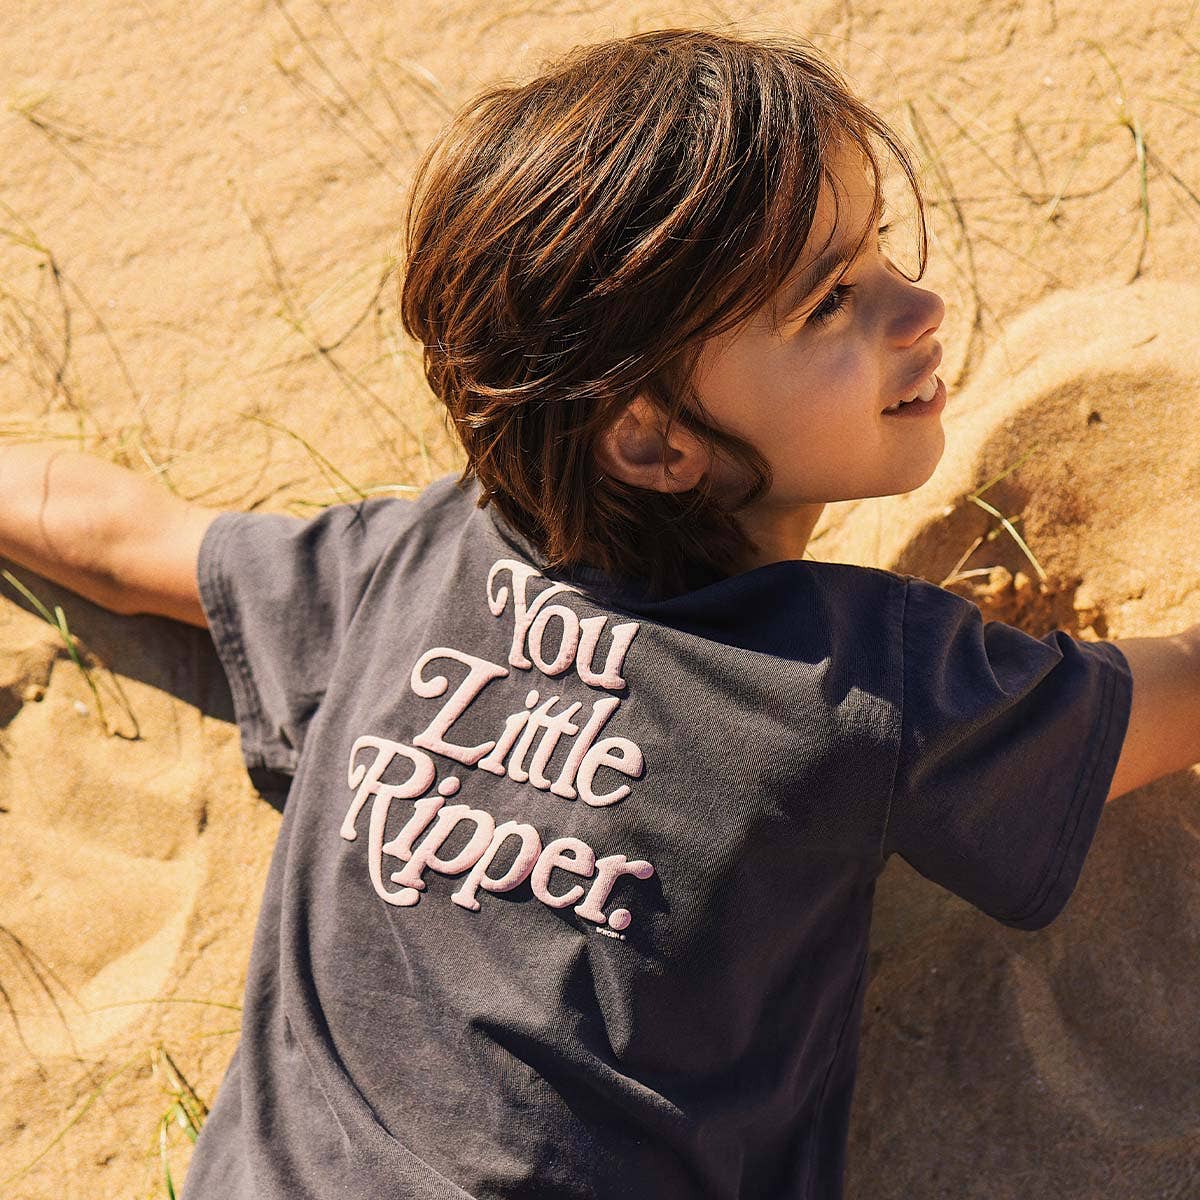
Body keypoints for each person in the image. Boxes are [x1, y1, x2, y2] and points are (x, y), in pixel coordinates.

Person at [0, 27, 1197, 1200]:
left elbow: (125, 542)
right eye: (833, 299)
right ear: (652, 438)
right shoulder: (859, 680)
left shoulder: (414, 560)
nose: (918, 303)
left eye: (882, 249)